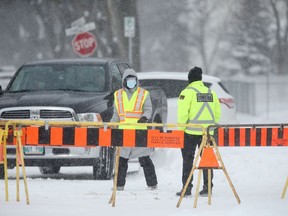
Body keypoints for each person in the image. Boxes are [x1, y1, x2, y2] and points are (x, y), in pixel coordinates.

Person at [176, 66, 221, 197]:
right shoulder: (211, 92)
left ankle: (187, 188)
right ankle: (207, 188)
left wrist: (181, 129)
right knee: (207, 160)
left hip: (190, 132)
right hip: (207, 133)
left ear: (189, 79)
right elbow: (217, 114)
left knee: (188, 161)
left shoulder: (187, 92)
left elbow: (182, 114)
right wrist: (210, 127)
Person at [110, 68, 158, 191]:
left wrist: (144, 117)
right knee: (121, 160)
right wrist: (110, 126)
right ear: (124, 81)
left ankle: (152, 184)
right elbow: (116, 114)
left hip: (139, 131)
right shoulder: (118, 95)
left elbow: (148, 109)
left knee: (145, 159)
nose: (131, 82)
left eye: (133, 79)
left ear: (136, 80)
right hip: (123, 132)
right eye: (129, 80)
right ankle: (119, 185)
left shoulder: (143, 94)